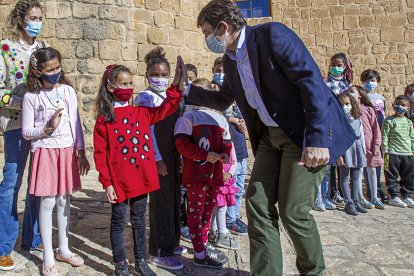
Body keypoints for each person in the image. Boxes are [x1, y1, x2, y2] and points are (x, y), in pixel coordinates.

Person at [183, 1, 356, 275]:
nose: (206, 39)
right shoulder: (229, 60)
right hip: (269, 136)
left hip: (304, 135)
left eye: (207, 32)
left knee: (293, 212)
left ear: (223, 27)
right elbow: (223, 98)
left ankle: (314, 271)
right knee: (258, 205)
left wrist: (317, 139)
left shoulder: (273, 35)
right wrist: (185, 90)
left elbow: (310, 81)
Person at [93, 62, 183, 276]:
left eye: (130, 83)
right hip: (119, 181)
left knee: (139, 220)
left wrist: (175, 88)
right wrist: (107, 183)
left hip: (141, 179)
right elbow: (100, 154)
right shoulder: (104, 119)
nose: (128, 87)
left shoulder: (141, 112)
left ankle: (141, 261)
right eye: (123, 83)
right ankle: (120, 264)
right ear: (110, 86)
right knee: (118, 221)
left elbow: (165, 109)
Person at [22, 47, 89, 276]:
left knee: (63, 200)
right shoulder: (32, 97)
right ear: (37, 71)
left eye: (58, 68)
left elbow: (75, 121)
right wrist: (47, 127)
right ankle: (48, 255)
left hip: (67, 150)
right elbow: (27, 132)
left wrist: (81, 150)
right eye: (49, 70)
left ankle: (64, 248)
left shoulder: (68, 91)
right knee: (48, 201)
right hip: (46, 151)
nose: (55, 73)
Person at [0, 0, 46, 270]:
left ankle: (33, 237)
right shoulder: (5, 48)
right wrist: (23, 102)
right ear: (21, 19)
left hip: (41, 128)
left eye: (39, 17)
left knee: (38, 183)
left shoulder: (42, 48)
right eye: (32, 17)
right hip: (17, 125)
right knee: (11, 184)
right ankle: (4, 246)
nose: (36, 22)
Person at [134, 47, 185, 271]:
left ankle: (171, 242)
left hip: (173, 154)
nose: (161, 79)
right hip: (159, 156)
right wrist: (157, 159)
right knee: (160, 203)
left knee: (173, 199)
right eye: (156, 74)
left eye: (165, 75)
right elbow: (149, 131)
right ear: (147, 75)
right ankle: (158, 252)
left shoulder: (168, 97)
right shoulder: (145, 98)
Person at [174, 78, 232, 268]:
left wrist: (223, 154)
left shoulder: (221, 118)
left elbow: (226, 143)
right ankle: (199, 252)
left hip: (213, 176)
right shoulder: (188, 118)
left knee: (207, 212)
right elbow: (181, 144)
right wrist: (204, 155)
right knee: (195, 212)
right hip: (196, 176)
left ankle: (203, 244)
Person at [211, 57, 250, 235]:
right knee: (224, 188)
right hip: (226, 149)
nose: (222, 75)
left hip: (240, 148)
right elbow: (212, 114)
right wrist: (233, 119)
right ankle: (222, 221)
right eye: (218, 71)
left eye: (224, 72)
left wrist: (242, 122)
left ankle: (232, 218)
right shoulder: (212, 91)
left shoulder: (237, 91)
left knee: (239, 187)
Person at [352, 86, 385, 209]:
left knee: (372, 171)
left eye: (352, 92)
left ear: (360, 95)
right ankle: (360, 197)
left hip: (370, 146)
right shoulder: (349, 110)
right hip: (357, 146)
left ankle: (374, 197)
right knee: (359, 171)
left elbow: (376, 129)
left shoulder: (368, 110)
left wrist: (377, 145)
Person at [336, 91, 368, 216]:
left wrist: (363, 151)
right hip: (344, 149)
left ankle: (355, 201)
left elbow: (360, 135)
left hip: (357, 148)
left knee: (356, 176)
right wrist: (338, 154)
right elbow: (336, 138)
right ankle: (348, 202)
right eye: (342, 104)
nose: (345, 106)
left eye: (347, 103)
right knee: (344, 177)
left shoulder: (357, 116)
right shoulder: (337, 119)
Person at [360, 69, 389, 203]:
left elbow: (384, 114)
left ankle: (377, 188)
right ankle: (370, 191)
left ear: (377, 82)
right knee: (368, 163)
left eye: (373, 81)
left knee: (377, 162)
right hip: (367, 133)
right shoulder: (362, 98)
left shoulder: (381, 98)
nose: (370, 83)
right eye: (367, 81)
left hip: (379, 133)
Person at [382, 95, 414, 208]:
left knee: (408, 176)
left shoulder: (409, 123)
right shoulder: (389, 121)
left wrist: (413, 151)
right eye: (398, 104)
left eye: (403, 105)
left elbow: (412, 138)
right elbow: (385, 135)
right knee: (391, 175)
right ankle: (394, 196)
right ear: (393, 105)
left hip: (407, 154)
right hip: (392, 153)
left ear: (408, 108)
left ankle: (407, 195)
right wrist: (385, 149)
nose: (400, 107)